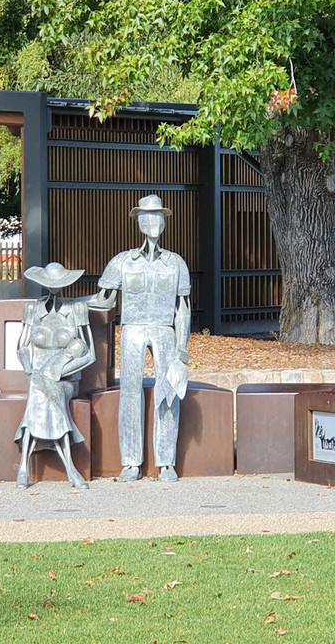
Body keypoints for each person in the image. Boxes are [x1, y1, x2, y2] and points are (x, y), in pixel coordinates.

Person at [91, 194, 191, 482]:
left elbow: (182, 309)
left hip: (164, 329)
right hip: (132, 329)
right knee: (130, 392)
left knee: (168, 391)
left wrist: (182, 346)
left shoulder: (175, 263)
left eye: (158, 215)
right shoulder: (123, 261)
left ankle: (166, 461)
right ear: (138, 221)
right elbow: (103, 301)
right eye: (147, 216)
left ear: (164, 221)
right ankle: (131, 461)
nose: (153, 221)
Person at [15, 262, 96, 489]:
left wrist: (60, 372)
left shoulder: (76, 309)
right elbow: (21, 347)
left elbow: (90, 354)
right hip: (37, 376)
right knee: (37, 386)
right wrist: (30, 369)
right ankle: (69, 467)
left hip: (65, 380)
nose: (54, 287)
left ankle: (24, 466)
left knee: (44, 390)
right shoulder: (32, 309)